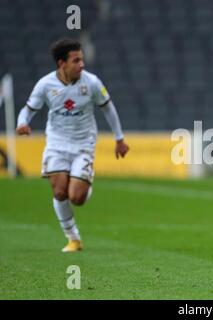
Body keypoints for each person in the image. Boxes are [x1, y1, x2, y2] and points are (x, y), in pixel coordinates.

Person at [16, 38, 129, 252]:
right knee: (59, 192)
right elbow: (28, 110)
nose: (82, 65)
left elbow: (108, 108)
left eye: (82, 59)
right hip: (56, 143)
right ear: (62, 64)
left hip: (83, 144)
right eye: (76, 60)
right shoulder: (45, 84)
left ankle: (84, 182)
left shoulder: (92, 83)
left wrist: (119, 139)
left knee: (76, 197)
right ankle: (73, 239)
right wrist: (22, 123)